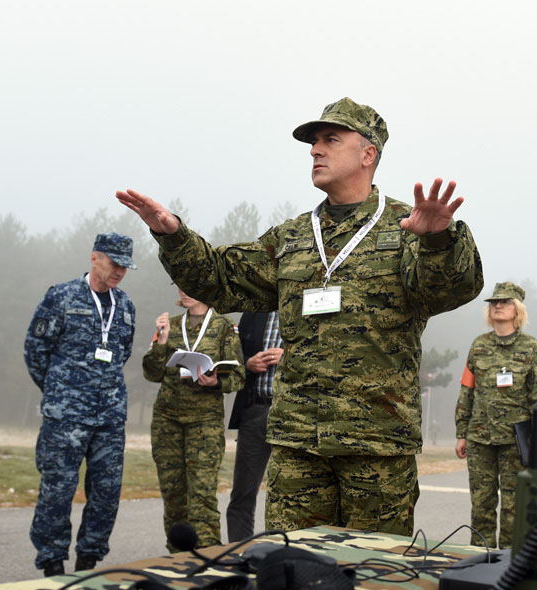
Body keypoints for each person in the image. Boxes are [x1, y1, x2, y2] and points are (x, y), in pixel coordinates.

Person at [118, 98, 483, 537]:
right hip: (297, 443)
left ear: (368, 154)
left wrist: (439, 241)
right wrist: (173, 235)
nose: (315, 150)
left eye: (331, 139)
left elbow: (447, 290)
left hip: (376, 444)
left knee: (374, 569)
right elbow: (219, 278)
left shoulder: (409, 228)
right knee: (290, 566)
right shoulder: (292, 237)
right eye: (313, 142)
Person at [24, 233, 137, 575]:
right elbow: (35, 351)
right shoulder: (61, 296)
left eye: (125, 266)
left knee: (106, 492)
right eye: (114, 263)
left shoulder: (126, 305)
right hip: (66, 416)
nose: (119, 271)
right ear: (94, 258)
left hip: (110, 417)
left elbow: (123, 353)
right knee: (57, 489)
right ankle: (52, 563)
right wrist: (60, 391)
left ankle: (88, 560)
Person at [143, 289, 244, 550]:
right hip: (168, 420)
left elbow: (238, 377)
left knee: (202, 495)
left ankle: (208, 557)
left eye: (190, 286)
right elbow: (152, 374)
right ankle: (178, 557)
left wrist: (216, 382)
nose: (184, 291)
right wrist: (162, 341)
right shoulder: (171, 324)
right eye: (179, 285)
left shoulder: (224, 326)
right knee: (173, 496)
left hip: (205, 422)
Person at [454, 281, 537, 548]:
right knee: (481, 504)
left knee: (513, 508)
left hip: (516, 440)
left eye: (505, 302)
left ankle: (506, 562)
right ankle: (479, 558)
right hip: (479, 437)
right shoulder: (478, 345)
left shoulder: (530, 347)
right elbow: (467, 390)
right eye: (494, 302)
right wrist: (461, 433)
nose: (498, 306)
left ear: (518, 310)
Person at [225, 311, 281, 542]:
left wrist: (289, 357)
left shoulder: (310, 306)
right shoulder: (253, 312)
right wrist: (247, 363)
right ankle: (241, 554)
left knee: (290, 494)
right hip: (254, 409)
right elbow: (232, 356)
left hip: (292, 414)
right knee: (243, 492)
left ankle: (285, 556)